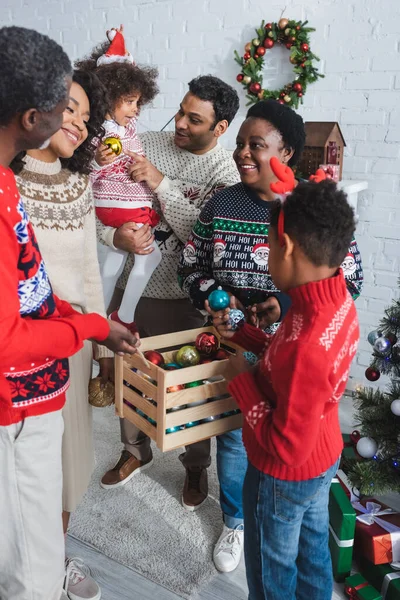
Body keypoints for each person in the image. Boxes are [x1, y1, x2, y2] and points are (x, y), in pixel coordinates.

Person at [177, 99, 363, 572]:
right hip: (234, 340)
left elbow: (350, 277)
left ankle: (270, 524)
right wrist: (216, 297)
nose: (242, 153)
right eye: (240, 142)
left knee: (280, 457)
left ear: (288, 152)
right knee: (235, 442)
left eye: (255, 145)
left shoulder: (311, 210)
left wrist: (284, 303)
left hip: (293, 358)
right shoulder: (220, 203)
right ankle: (236, 521)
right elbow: (190, 265)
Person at [0, 26, 138, 600]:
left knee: (28, 535)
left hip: (49, 374)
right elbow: (9, 341)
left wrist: (89, 322)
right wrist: (89, 326)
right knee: (28, 572)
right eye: (66, 106)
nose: (76, 122)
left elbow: (31, 282)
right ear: (34, 118)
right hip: (15, 405)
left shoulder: (6, 183)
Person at [97, 76, 240, 525]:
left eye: (193, 119)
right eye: (179, 111)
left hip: (185, 299)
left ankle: (194, 469)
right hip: (131, 288)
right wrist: (112, 230)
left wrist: (161, 184)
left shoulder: (225, 175)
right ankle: (133, 451)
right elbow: (98, 196)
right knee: (129, 376)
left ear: (220, 128)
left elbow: (204, 235)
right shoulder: (145, 141)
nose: (178, 123)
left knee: (189, 388)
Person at [212, 179, 360, 600]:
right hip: (324, 456)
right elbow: (288, 360)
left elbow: (285, 445)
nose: (268, 256)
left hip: (282, 476)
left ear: (287, 246)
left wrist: (240, 381)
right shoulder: (334, 303)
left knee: (272, 568)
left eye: (269, 248)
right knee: (313, 551)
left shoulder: (307, 343)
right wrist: (247, 335)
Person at [15, 69, 112, 600]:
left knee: (69, 458)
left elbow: (89, 271)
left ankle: (55, 558)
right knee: (22, 462)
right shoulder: (9, 178)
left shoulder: (79, 186)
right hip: (20, 345)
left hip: (71, 340)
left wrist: (99, 343)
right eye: (68, 106)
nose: (76, 120)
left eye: (84, 114)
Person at [76, 25, 160, 332]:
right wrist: (98, 162)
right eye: (130, 101)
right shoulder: (100, 133)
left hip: (122, 212)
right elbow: (82, 175)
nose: (136, 110)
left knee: (110, 268)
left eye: (138, 102)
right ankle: (122, 317)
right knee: (151, 257)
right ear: (109, 96)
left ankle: (97, 321)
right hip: (119, 210)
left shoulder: (126, 132)